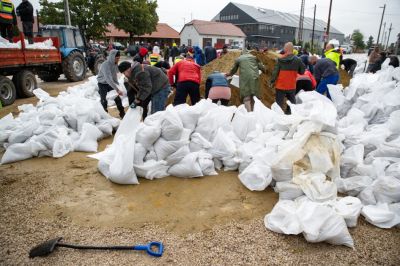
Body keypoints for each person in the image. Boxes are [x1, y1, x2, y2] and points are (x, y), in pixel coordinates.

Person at [270, 42, 305, 114]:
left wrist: (272, 82)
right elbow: (302, 72)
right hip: (291, 85)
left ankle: (278, 118)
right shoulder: (298, 60)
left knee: (279, 104)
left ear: (285, 49)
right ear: (292, 49)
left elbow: (275, 73)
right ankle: (290, 117)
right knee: (292, 104)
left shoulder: (280, 59)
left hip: (280, 86)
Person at [97, 50, 125, 118]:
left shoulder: (115, 64)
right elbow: (108, 79)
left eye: (119, 58)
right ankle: (105, 116)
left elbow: (117, 72)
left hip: (110, 83)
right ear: (112, 57)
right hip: (102, 83)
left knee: (117, 98)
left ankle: (122, 113)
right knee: (104, 100)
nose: (118, 60)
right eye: (117, 58)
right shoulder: (105, 65)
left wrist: (125, 75)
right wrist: (117, 89)